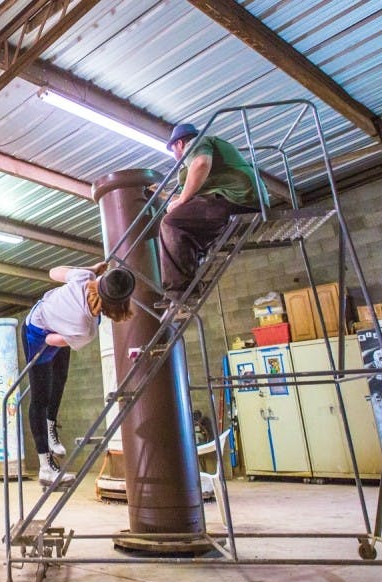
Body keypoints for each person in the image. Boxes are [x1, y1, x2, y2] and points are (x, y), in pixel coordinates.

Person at [22, 261, 136, 485]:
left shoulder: (84, 278)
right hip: (36, 332)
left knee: (60, 377)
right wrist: (56, 320)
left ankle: (51, 424)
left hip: (57, 327)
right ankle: (46, 467)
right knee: (40, 398)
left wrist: (91, 269)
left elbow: (53, 271)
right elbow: (50, 340)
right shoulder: (86, 330)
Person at [157, 123, 269, 306]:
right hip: (237, 200)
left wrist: (181, 200)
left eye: (173, 149)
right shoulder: (203, 164)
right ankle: (188, 283)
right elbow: (192, 199)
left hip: (238, 198)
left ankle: (178, 290)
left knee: (170, 223)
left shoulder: (196, 143)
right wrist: (166, 196)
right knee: (185, 228)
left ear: (179, 143)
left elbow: (201, 163)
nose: (175, 154)